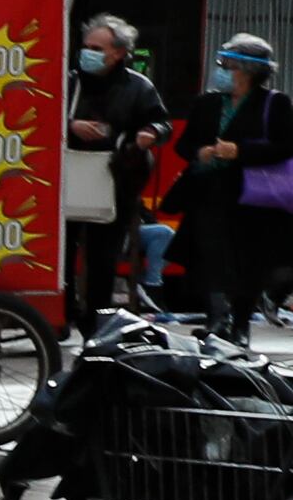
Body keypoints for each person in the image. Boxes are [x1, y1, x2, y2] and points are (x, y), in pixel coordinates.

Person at [174, 34, 290, 338]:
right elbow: (183, 145)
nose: (221, 71)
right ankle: (216, 320)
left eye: (228, 65)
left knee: (249, 263)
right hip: (208, 192)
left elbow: (285, 147)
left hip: (252, 198)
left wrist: (240, 151)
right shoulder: (206, 103)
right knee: (209, 256)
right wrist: (199, 152)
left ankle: (240, 325)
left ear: (248, 71)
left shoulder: (275, 103)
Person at [65, 17, 172, 327]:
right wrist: (71, 126)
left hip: (115, 180)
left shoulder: (138, 86)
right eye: (86, 46)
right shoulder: (69, 81)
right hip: (68, 177)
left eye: (97, 48)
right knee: (62, 253)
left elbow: (161, 122)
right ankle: (63, 315)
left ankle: (97, 322)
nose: (88, 53)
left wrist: (151, 133)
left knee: (104, 256)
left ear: (119, 53)